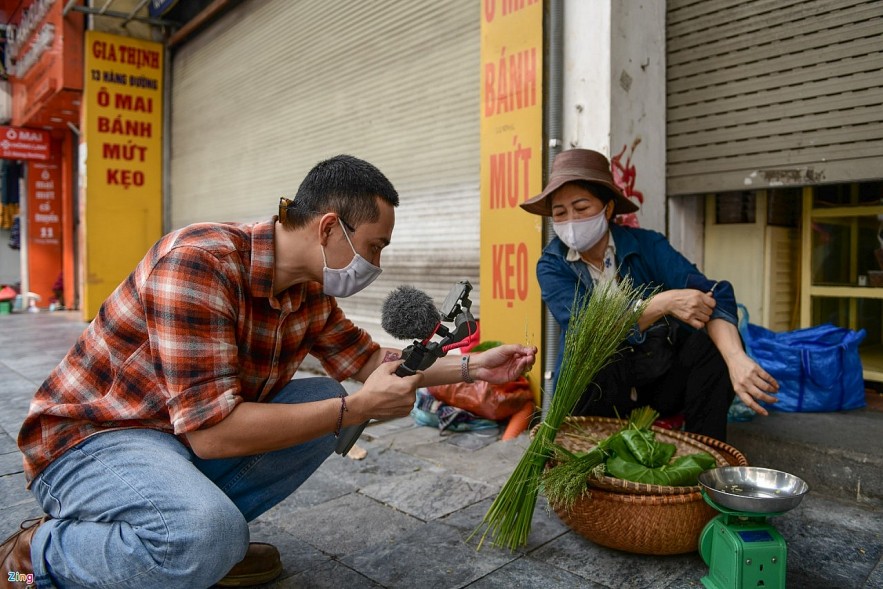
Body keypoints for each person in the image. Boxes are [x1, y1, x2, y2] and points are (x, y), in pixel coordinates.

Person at [1, 155, 536, 589]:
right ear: (330, 228)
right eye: (374, 247)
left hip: (168, 440)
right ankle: (41, 551)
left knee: (322, 397)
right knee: (218, 521)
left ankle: (201, 545)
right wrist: (357, 408)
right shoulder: (199, 262)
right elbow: (212, 435)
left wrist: (475, 367)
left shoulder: (309, 295)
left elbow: (374, 365)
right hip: (91, 440)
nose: (377, 264)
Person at [519, 148, 777, 442]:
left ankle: (704, 457)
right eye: (560, 213)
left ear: (608, 209)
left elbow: (711, 294)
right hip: (594, 389)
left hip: (657, 382)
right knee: (599, 352)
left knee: (709, 344)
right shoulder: (552, 266)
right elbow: (587, 325)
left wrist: (735, 359)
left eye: (581, 208)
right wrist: (661, 303)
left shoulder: (647, 246)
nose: (571, 222)